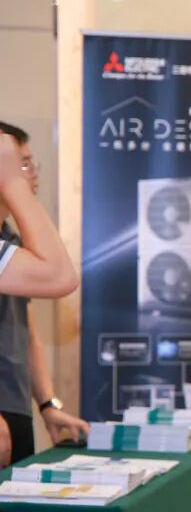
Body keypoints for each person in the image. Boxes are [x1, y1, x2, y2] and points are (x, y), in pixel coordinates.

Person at [0, 122, 90, 468]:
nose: (31, 174)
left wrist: (47, 403)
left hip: (14, 406)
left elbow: (27, 331)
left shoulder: (11, 241)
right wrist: (13, 184)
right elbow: (60, 275)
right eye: (18, 163)